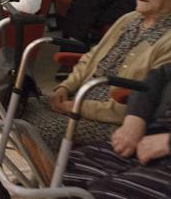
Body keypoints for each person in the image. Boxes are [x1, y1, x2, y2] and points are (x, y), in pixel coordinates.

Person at [21, 0, 171, 152]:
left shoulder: (167, 38)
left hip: (112, 119)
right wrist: (65, 87)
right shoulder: (129, 19)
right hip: (79, 97)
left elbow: (140, 100)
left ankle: (48, 178)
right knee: (17, 105)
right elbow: (90, 58)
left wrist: (77, 106)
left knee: (35, 129)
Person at [62, 63, 171, 199]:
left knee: (109, 191)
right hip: (148, 136)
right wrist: (135, 118)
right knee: (66, 168)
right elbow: (156, 77)